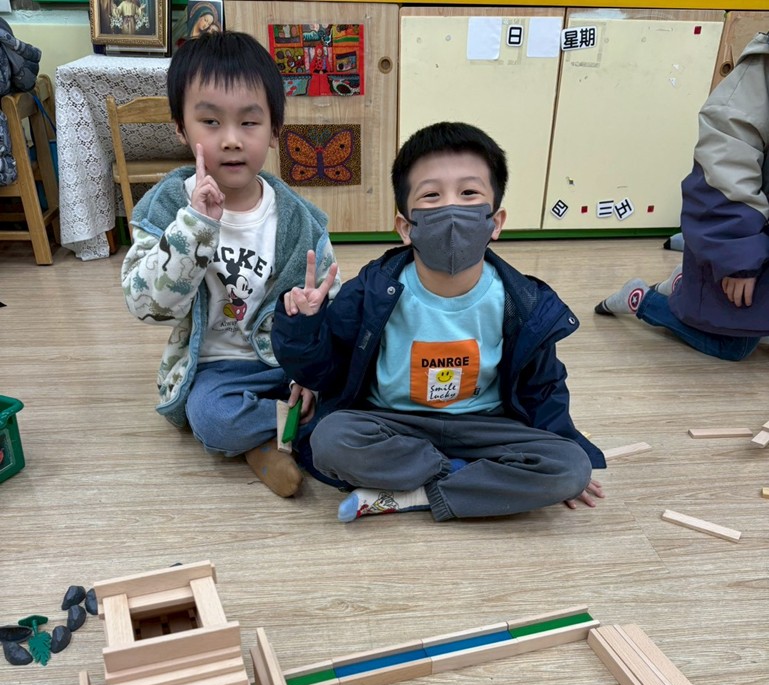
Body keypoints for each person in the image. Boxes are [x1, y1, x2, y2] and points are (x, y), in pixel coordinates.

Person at [272, 121, 605, 523]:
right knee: (330, 440)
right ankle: (466, 482)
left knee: (571, 466)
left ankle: (414, 492)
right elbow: (324, 369)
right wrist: (304, 324)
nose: (451, 209)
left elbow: (543, 386)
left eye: (469, 194)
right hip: (392, 424)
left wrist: (565, 452)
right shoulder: (373, 290)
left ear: (495, 222)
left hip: (486, 426)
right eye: (431, 195)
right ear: (405, 227)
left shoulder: (521, 301)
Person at [121, 31, 339, 497]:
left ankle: (268, 440)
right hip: (215, 370)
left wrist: (312, 327)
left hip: (285, 364)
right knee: (212, 419)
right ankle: (287, 433)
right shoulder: (165, 208)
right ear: (181, 129)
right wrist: (195, 227)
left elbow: (330, 300)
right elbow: (147, 307)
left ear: (275, 130)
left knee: (351, 378)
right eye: (210, 122)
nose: (232, 140)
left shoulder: (300, 220)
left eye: (250, 122)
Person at [595, 32, 769, 362]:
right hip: (741, 241)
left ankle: (685, 286)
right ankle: (642, 299)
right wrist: (737, 258)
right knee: (733, 344)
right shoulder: (759, 75)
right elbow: (724, 168)